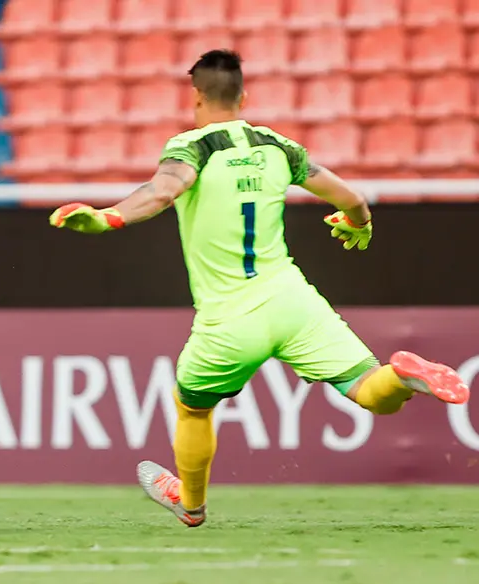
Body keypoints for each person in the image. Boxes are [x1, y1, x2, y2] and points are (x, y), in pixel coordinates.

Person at [48, 50, 470, 527]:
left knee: (192, 408)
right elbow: (352, 198)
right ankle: (404, 376)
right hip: (294, 301)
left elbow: (162, 191)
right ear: (243, 97)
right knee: (370, 389)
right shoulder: (278, 146)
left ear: (196, 97)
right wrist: (359, 223)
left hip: (231, 317)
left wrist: (107, 218)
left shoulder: (192, 148)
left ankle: (191, 506)